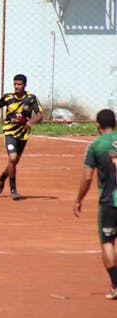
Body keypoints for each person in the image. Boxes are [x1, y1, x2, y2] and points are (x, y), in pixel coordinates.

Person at [74, 109, 117, 300]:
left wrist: (78, 200)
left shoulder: (96, 146)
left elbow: (87, 177)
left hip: (109, 202)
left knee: (108, 242)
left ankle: (116, 284)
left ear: (97, 125)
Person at [0, 74, 43, 200]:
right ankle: (13, 190)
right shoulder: (8, 97)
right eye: (15, 84)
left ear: (25, 85)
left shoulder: (31, 98)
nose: (17, 87)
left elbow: (39, 115)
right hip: (9, 132)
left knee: (14, 162)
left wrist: (32, 121)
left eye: (20, 84)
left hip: (23, 134)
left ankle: (2, 178)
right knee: (13, 157)